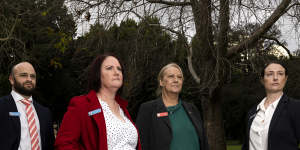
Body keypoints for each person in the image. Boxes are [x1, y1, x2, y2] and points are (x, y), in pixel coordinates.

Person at [55, 54, 141, 150]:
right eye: (109, 68)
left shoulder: (123, 109)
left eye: (119, 69)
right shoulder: (82, 105)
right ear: (98, 74)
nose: (116, 72)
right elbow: (63, 144)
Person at [136, 63, 209, 150]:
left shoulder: (192, 109)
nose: (176, 80)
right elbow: (141, 144)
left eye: (179, 77)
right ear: (161, 82)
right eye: (171, 76)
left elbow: (204, 143)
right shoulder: (148, 109)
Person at [242, 61, 300, 150]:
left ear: (286, 78)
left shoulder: (295, 107)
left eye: (280, 74)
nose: (275, 78)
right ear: (262, 80)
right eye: (270, 74)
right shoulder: (252, 112)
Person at [0, 61, 55, 150]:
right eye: (23, 75)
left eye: (32, 76)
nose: (29, 79)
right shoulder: (2, 106)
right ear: (11, 79)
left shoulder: (45, 112)